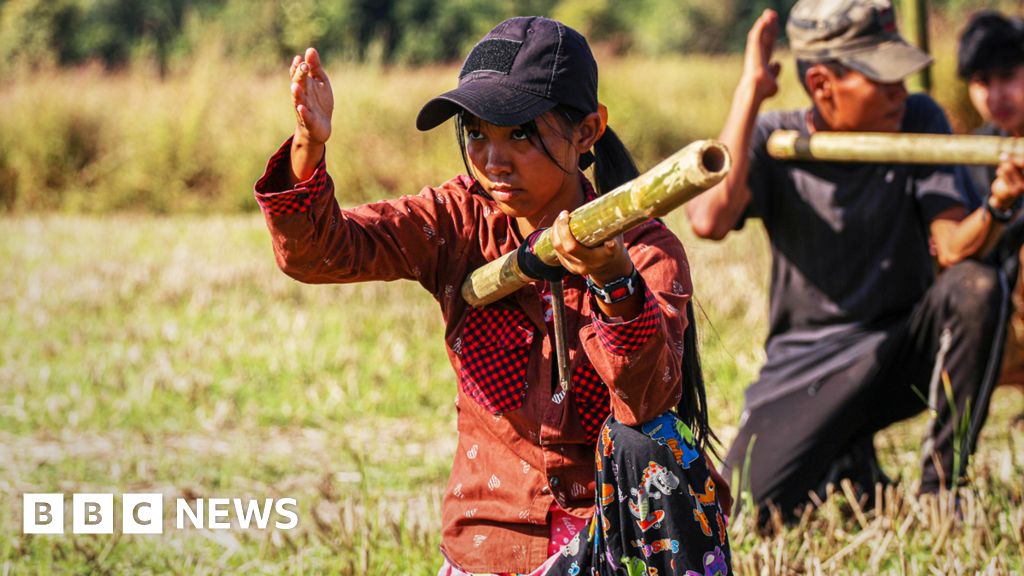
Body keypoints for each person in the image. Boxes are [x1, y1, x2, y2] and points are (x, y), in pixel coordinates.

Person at [255, 16, 732, 575]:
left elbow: (646, 401)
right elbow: (321, 253)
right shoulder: (456, 222)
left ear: (587, 132)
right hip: (489, 545)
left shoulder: (645, 250)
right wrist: (308, 148)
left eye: (521, 134)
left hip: (611, 546)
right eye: (477, 134)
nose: (492, 161)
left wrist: (614, 283)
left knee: (654, 441)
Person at [686, 0, 1024, 522]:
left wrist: (998, 204)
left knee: (977, 287)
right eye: (882, 79)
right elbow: (709, 219)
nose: (900, 91)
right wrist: (750, 90)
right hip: (811, 366)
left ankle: (941, 486)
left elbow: (955, 247)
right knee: (748, 511)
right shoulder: (774, 135)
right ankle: (846, 456)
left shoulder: (917, 119)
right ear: (822, 84)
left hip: (901, 351)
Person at [957, 11, 1024, 400]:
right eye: (983, 81)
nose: (995, 96)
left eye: (1008, 77)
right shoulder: (973, 156)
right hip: (997, 314)